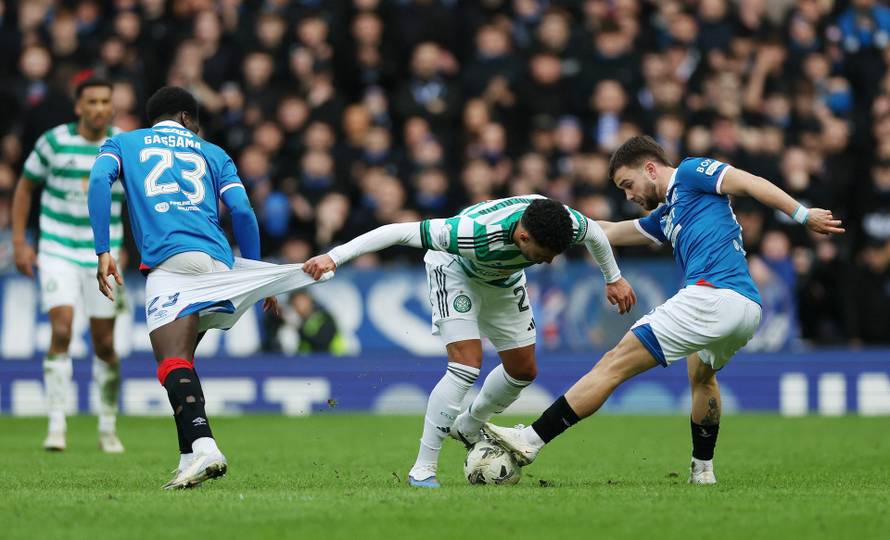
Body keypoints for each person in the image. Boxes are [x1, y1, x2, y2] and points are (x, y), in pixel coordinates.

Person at [482, 136, 845, 484]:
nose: (629, 195)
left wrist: (801, 214)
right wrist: (554, 219)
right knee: (701, 376)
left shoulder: (689, 173)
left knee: (613, 363)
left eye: (628, 184)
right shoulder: (667, 215)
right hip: (745, 308)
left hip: (712, 295)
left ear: (651, 169)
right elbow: (608, 231)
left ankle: (532, 438)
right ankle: (703, 470)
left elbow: (748, 182)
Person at [303, 195, 637, 488]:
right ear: (523, 236)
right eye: (544, 254)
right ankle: (423, 469)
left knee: (523, 370)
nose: (548, 261)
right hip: (454, 272)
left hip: (503, 281)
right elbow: (398, 231)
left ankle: (468, 425)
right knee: (465, 364)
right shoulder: (470, 233)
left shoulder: (564, 222)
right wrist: (336, 256)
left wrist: (614, 278)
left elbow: (594, 232)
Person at [88, 86, 325, 489]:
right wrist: (254, 272)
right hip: (218, 265)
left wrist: (102, 250)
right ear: (185, 117)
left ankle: (206, 447)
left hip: (171, 262)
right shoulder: (214, 153)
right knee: (183, 363)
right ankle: (187, 458)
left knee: (170, 362)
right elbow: (243, 211)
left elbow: (97, 181)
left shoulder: (124, 142)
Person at [11, 78, 125, 453]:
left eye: (104, 101)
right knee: (61, 330)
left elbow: (139, 201)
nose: (98, 108)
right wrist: (19, 242)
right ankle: (57, 425)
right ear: (79, 107)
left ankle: (107, 425)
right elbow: (25, 187)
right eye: (91, 101)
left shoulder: (123, 145)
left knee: (105, 342)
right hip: (58, 248)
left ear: (111, 106)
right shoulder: (53, 141)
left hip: (105, 253)